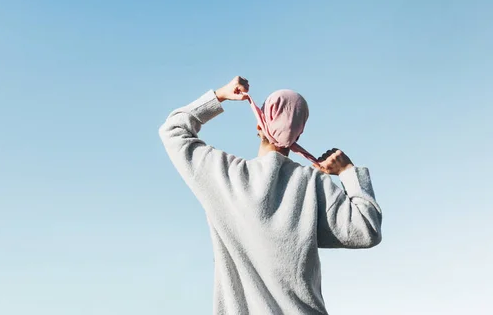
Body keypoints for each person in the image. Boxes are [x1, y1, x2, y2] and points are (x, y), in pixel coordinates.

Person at [159, 76, 382, 315]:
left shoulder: (226, 177)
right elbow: (367, 229)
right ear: (296, 137)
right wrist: (347, 172)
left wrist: (221, 95)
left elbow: (173, 130)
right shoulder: (313, 185)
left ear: (259, 126)